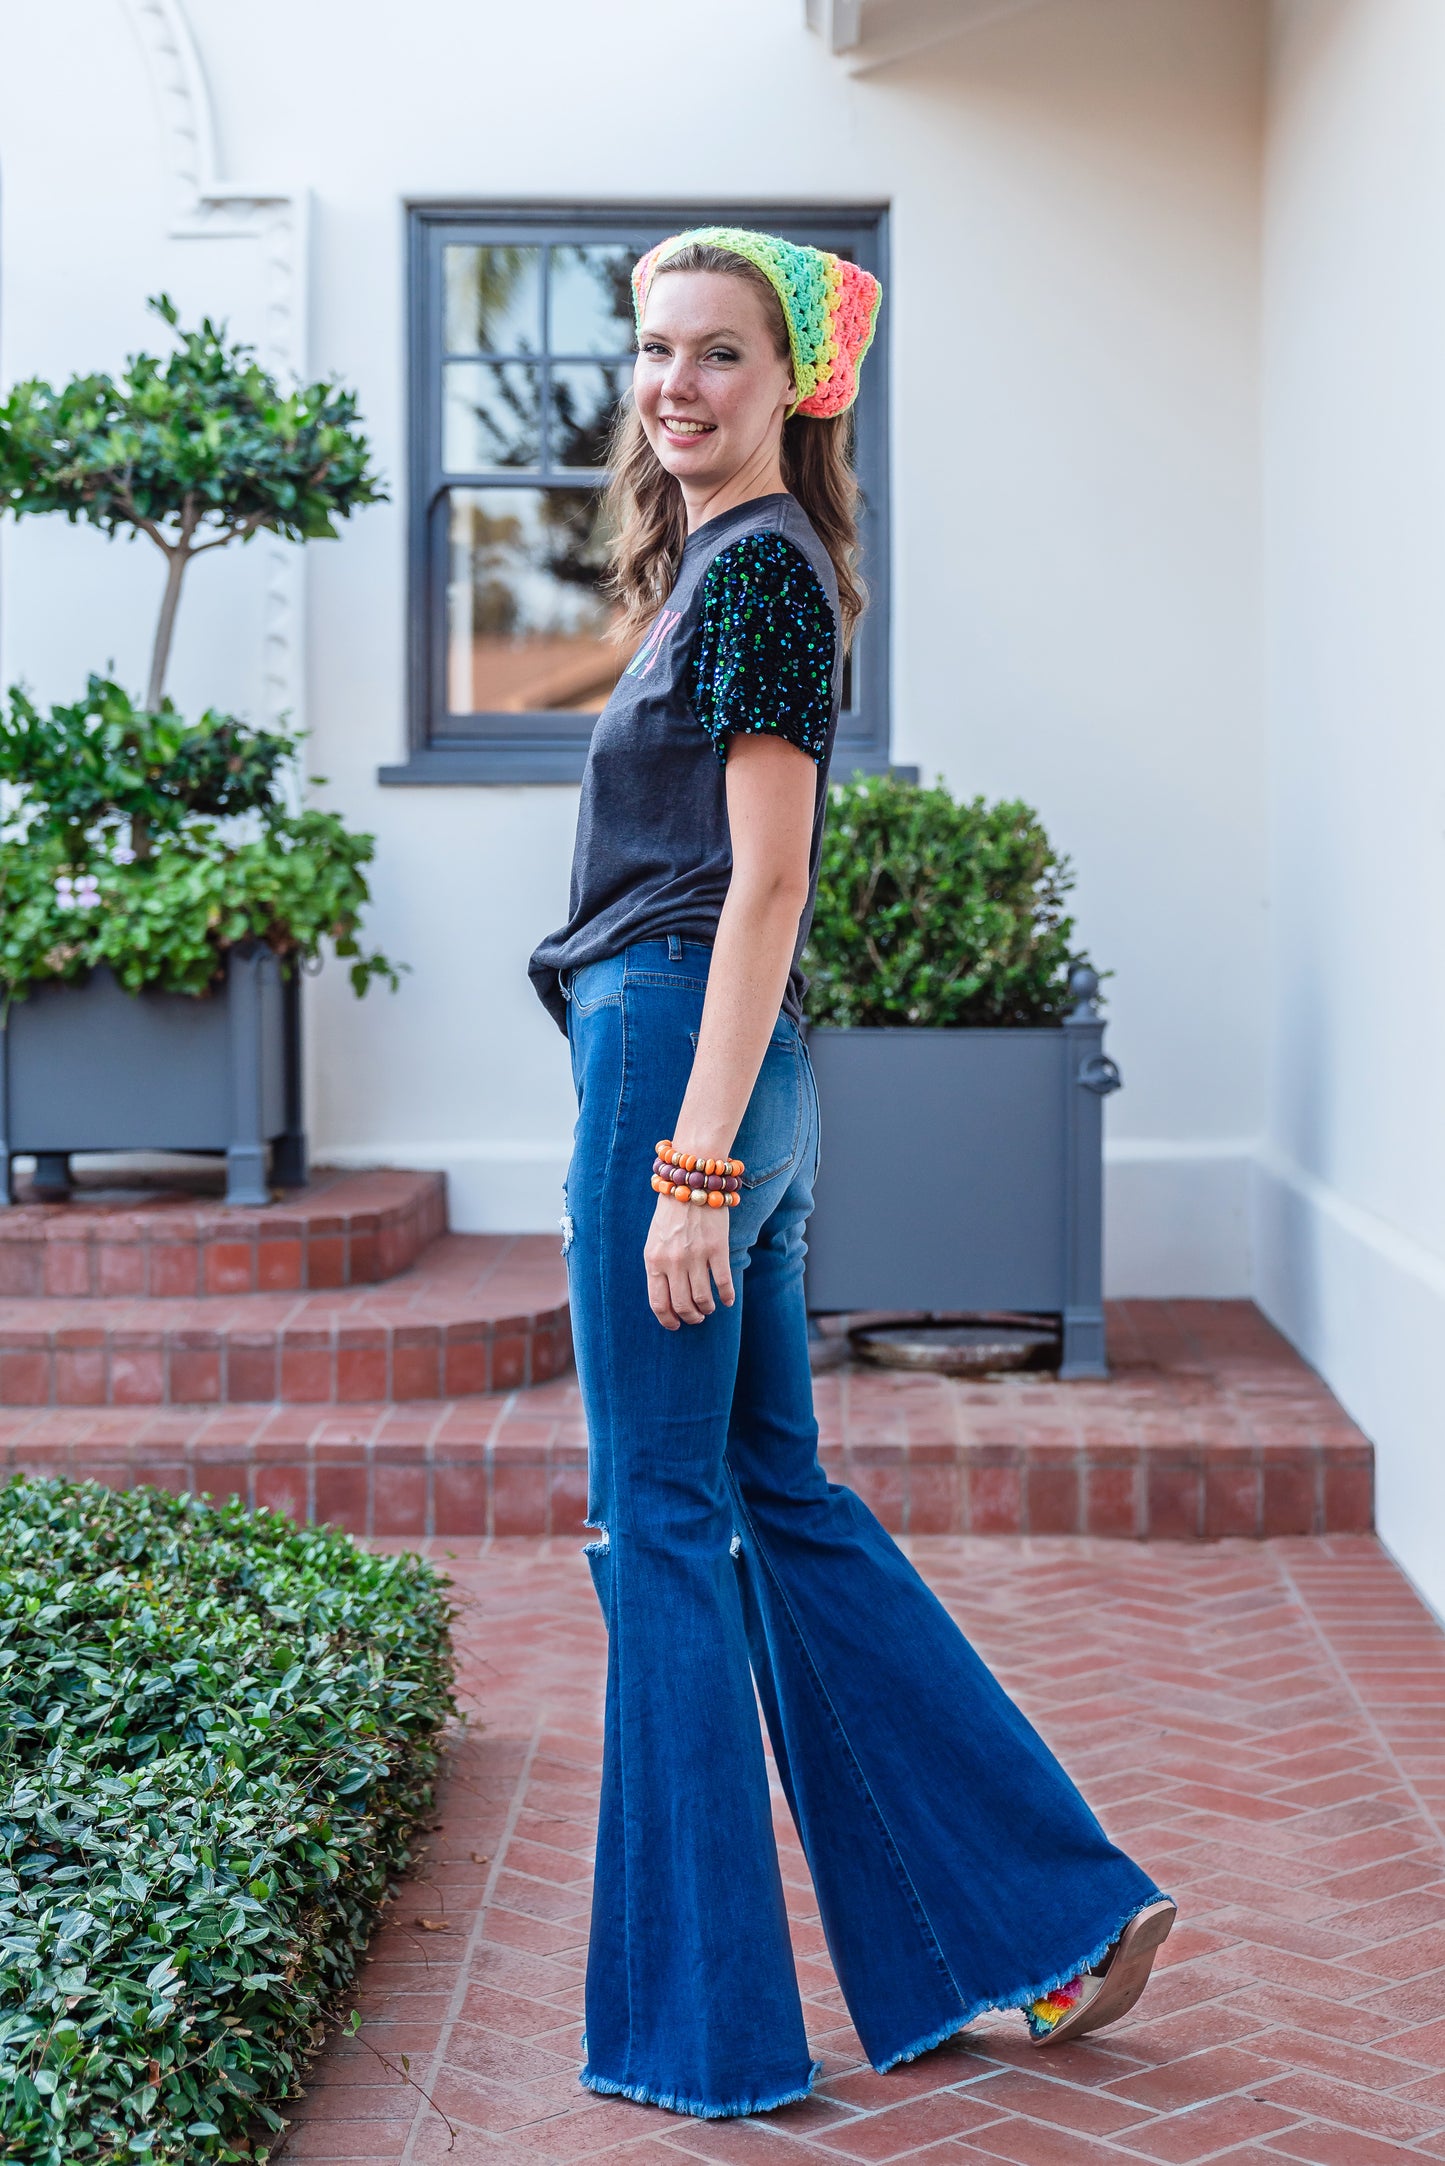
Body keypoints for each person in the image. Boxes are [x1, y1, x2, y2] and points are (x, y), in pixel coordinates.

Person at [529, 226, 1174, 2122]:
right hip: (726, 1067)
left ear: (787, 385)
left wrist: (692, 1163)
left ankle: (704, 2027)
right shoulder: (740, 568)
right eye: (654, 351)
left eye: (715, 355)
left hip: (684, 1064)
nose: (672, 386)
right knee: (771, 1499)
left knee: (657, 1517)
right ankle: (1036, 1923)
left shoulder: (755, 574)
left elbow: (766, 883)